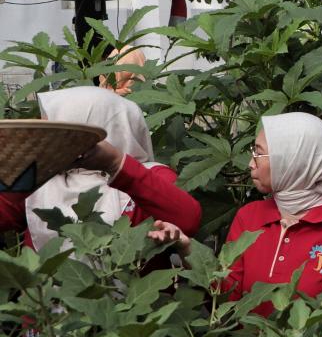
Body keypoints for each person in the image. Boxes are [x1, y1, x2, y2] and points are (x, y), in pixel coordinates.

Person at [159, 112, 322, 316]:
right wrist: (186, 247)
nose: (250, 163)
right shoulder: (249, 217)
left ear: (293, 160)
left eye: (259, 153)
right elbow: (227, 293)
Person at [21, 87, 201, 252]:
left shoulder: (149, 175)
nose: (43, 138)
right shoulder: (43, 176)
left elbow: (189, 219)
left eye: (53, 129)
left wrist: (115, 163)